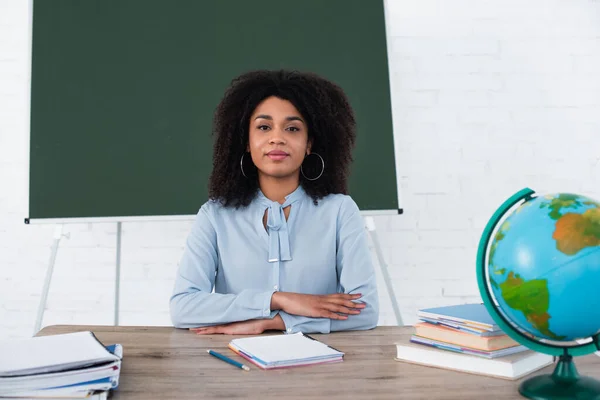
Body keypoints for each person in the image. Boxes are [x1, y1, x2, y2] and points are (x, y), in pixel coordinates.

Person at [169, 69, 379, 334]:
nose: (277, 137)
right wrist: (277, 299)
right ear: (246, 141)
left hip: (322, 364)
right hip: (234, 362)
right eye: (264, 127)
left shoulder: (340, 211)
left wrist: (274, 322)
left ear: (309, 144)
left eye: (292, 128)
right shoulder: (214, 215)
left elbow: (366, 311)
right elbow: (183, 308)